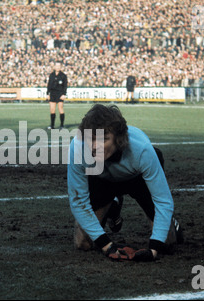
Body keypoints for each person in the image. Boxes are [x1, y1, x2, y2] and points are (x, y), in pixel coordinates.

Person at [67, 104, 183, 262]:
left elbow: (163, 200)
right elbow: (78, 201)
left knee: (167, 243)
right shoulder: (78, 147)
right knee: (83, 243)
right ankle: (113, 205)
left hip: (137, 180)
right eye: (90, 139)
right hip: (102, 180)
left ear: (118, 138)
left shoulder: (142, 151)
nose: (94, 146)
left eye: (103, 139)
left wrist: (154, 249)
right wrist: (107, 246)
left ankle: (172, 224)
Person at [46, 61, 68, 129]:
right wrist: (47, 93)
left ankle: (62, 125)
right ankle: (52, 125)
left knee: (60, 109)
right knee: (52, 110)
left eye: (59, 66)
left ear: (61, 67)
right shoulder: (51, 75)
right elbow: (49, 85)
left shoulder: (63, 76)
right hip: (52, 94)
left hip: (60, 94)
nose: (58, 67)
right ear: (54, 67)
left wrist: (64, 94)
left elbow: (65, 86)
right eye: (56, 66)